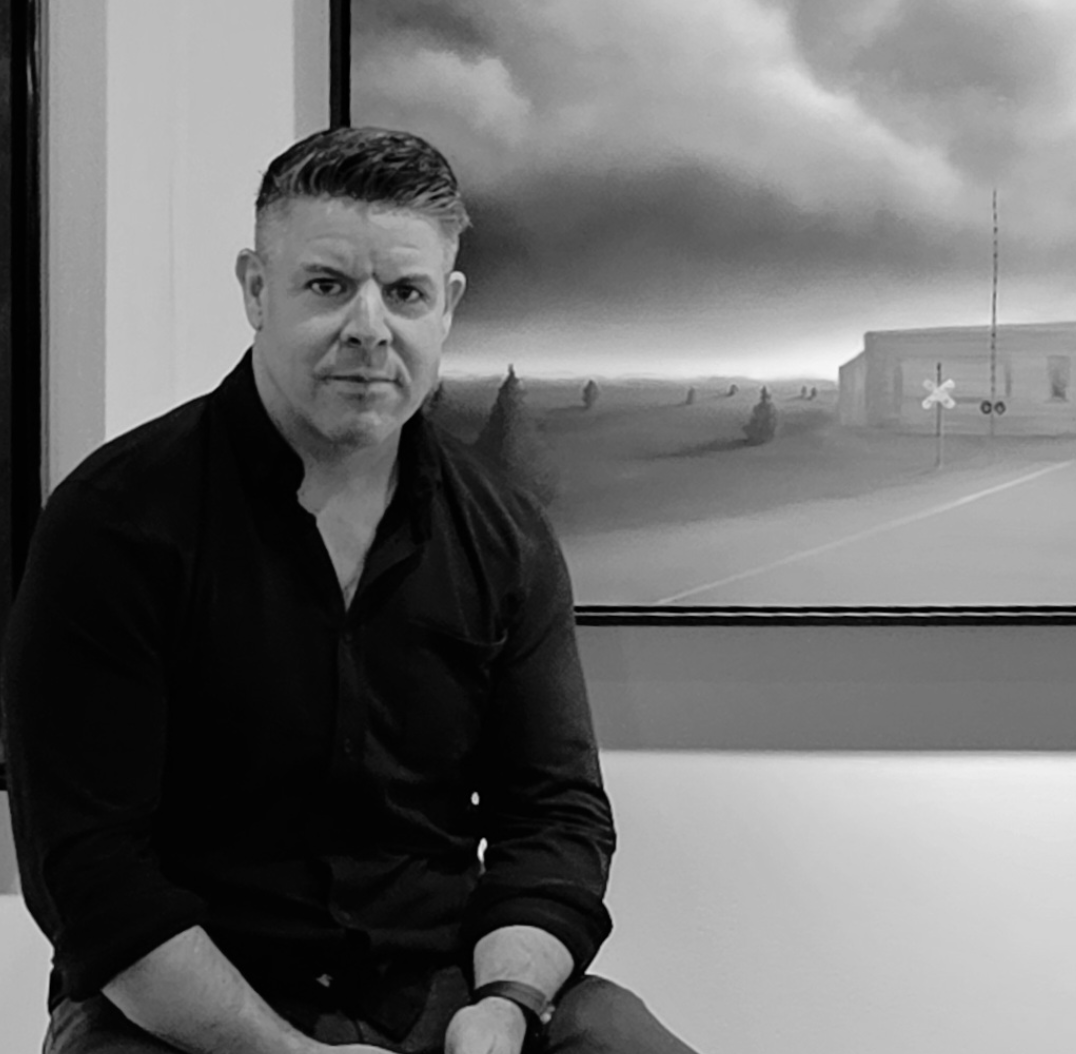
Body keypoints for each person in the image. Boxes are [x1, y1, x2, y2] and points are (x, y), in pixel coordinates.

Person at [1, 128, 700, 1054]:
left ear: (447, 307)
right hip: (185, 1006)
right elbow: (89, 870)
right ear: (256, 290)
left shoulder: (504, 535)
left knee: (617, 1035)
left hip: (446, 989)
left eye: (405, 293)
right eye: (328, 286)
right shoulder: (114, 523)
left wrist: (506, 1002)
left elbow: (553, 816)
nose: (369, 328)